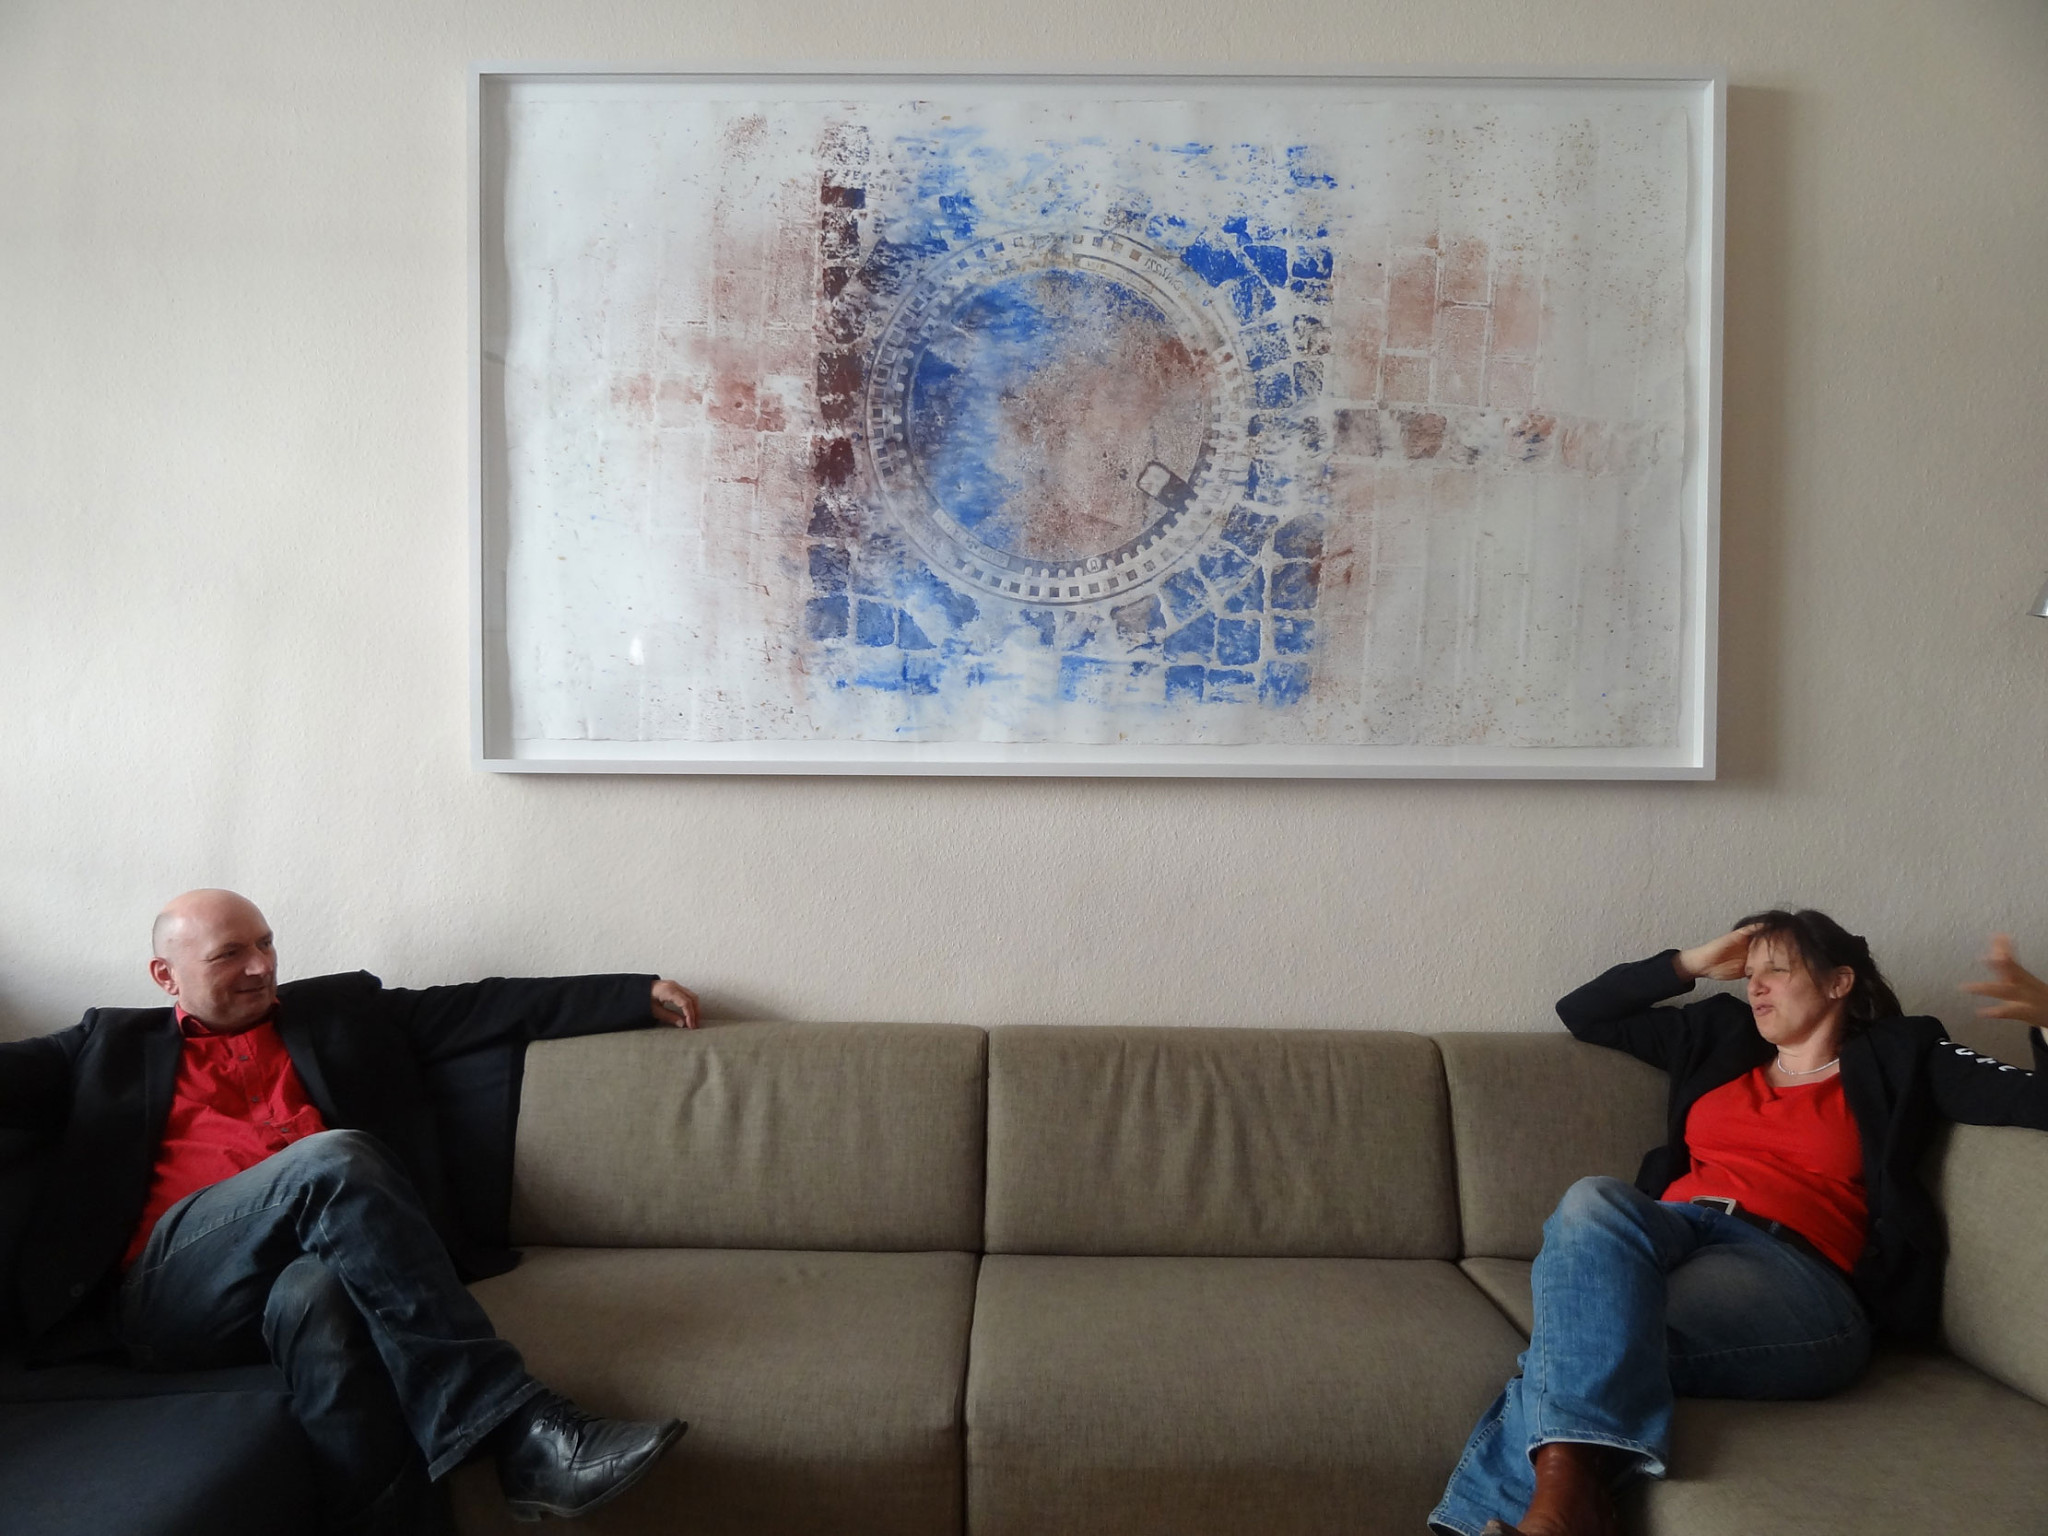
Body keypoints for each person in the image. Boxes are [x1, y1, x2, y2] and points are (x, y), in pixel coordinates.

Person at [0, 889, 705, 1535]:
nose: (260, 966)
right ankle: (520, 1428)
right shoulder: (106, 1046)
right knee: (333, 1159)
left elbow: (485, 1005)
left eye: (266, 943)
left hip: (301, 1277)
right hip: (170, 1297)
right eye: (230, 954)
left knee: (324, 1295)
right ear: (166, 975)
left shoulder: (341, 1012)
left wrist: (631, 993)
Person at [1428, 909, 2048, 1536]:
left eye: (1776, 970)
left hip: (1796, 1275)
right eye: (1750, 974)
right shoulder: (1720, 1036)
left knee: (1586, 1335)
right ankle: (1568, 1513)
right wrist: (1692, 963)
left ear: (1839, 982)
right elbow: (1584, 1013)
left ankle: (1551, 1511)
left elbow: (2035, 1100)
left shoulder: (1903, 1052)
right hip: (1677, 1231)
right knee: (1593, 1201)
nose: (1755, 986)